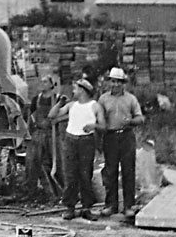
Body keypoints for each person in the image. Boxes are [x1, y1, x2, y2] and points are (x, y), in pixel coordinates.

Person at [49, 78, 105, 220]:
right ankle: (70, 208)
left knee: (85, 175)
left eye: (76, 88)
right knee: (70, 175)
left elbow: (103, 126)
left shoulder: (95, 106)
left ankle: (86, 208)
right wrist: (60, 103)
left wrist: (94, 126)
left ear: (82, 90)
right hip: (71, 140)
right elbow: (52, 115)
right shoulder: (71, 105)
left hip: (86, 142)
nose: (73, 91)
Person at [96, 67, 145, 219]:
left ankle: (129, 205)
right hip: (110, 137)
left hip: (126, 136)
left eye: (118, 82)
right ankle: (111, 205)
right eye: (112, 81)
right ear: (109, 82)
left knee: (128, 170)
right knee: (110, 171)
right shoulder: (103, 99)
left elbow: (140, 118)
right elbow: (99, 120)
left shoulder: (131, 99)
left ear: (123, 83)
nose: (115, 84)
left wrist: (130, 121)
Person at [25, 77, 59, 198]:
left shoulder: (57, 98)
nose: (42, 84)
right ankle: (34, 192)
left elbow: (65, 114)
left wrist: (54, 122)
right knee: (34, 162)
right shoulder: (36, 99)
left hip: (52, 134)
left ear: (51, 84)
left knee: (54, 162)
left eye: (45, 82)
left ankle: (58, 193)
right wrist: (29, 132)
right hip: (38, 133)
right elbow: (30, 116)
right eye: (41, 81)